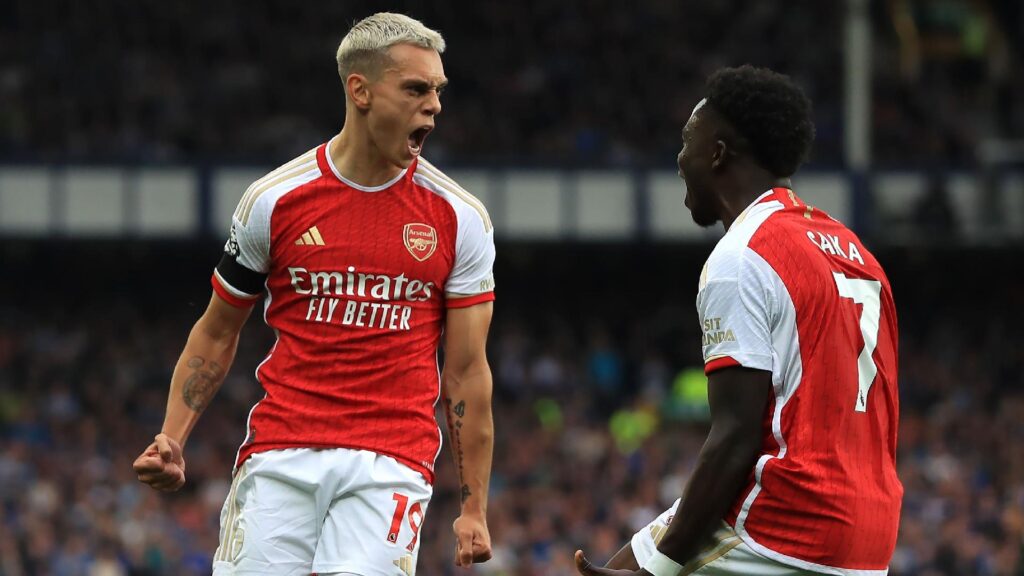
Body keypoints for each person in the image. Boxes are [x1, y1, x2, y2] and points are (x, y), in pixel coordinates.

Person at [132, 13, 496, 575]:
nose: (435, 105)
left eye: (438, 91)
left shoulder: (459, 217)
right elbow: (217, 328)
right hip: (281, 452)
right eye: (417, 89)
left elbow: (467, 371)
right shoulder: (274, 200)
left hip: (392, 463)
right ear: (361, 91)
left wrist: (474, 506)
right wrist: (172, 436)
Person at [575, 65, 902, 576]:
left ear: (718, 153)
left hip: (789, 524)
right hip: (870, 529)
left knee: (639, 567)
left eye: (687, 141)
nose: (679, 159)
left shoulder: (743, 257)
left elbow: (735, 437)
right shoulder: (857, 252)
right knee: (629, 556)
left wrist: (655, 570)